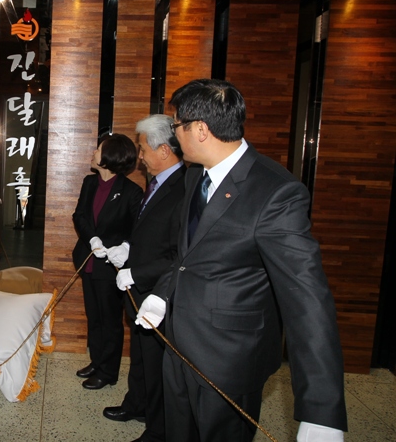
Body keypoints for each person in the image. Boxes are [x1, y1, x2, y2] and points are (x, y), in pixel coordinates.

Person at [137, 79, 347, 442]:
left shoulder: (275, 192)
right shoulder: (194, 176)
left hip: (229, 361)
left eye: (177, 126)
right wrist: (162, 293)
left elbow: (307, 299)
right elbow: (189, 254)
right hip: (178, 347)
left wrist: (321, 410)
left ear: (200, 130)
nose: (174, 137)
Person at [102, 115, 186, 442]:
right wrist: (127, 247)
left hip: (159, 293)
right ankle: (136, 404)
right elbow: (147, 231)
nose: (139, 156)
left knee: (157, 364)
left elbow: (180, 254)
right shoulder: (156, 182)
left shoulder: (183, 188)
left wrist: (137, 272)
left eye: (142, 149)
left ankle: (158, 429)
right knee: (140, 355)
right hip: (138, 289)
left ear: (163, 150)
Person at [71, 133, 143, 389]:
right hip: (88, 260)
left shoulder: (132, 192)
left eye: (99, 149)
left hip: (110, 267)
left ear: (110, 157)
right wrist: (92, 239)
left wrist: (124, 247)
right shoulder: (89, 182)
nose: (94, 152)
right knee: (94, 317)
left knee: (110, 320)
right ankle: (97, 361)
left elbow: (138, 230)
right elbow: (80, 216)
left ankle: (108, 372)